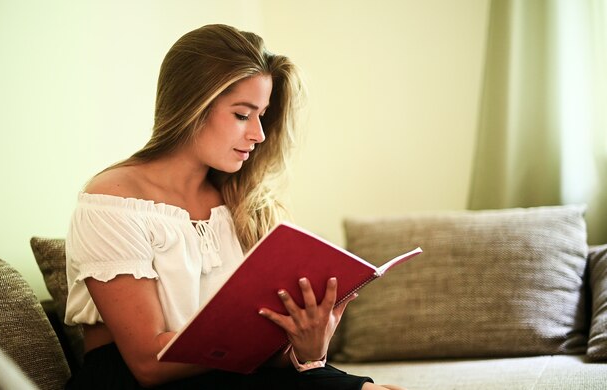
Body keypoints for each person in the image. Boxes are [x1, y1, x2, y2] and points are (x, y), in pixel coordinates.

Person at [64, 24, 405, 390]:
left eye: (262, 116)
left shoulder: (243, 204)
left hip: (227, 375)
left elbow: (257, 351)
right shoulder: (114, 201)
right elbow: (149, 364)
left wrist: (305, 349)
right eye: (243, 115)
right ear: (190, 106)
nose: (258, 134)